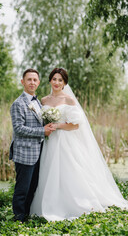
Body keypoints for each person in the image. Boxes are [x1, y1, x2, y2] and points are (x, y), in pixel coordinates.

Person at [30, 68, 128, 221]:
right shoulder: (43, 101)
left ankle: (74, 203)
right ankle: (51, 202)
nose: (56, 82)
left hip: (64, 141)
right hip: (50, 142)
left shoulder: (69, 100)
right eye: (54, 79)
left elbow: (75, 125)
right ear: (49, 80)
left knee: (68, 171)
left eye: (60, 80)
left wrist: (58, 126)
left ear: (64, 83)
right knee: (50, 172)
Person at [9, 68, 55, 222]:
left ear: (39, 82)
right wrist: (42, 131)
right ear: (23, 82)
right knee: (22, 188)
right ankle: (19, 218)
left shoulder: (38, 102)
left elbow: (40, 122)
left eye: (35, 80)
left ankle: (26, 214)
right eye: (29, 79)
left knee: (33, 186)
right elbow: (19, 129)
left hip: (39, 152)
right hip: (24, 153)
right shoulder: (18, 104)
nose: (32, 82)